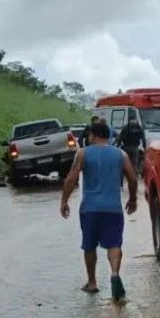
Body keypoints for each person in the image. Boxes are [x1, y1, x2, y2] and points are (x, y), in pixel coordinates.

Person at [59, 120, 138, 301]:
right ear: (109, 136)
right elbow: (133, 179)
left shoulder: (83, 153)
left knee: (89, 245)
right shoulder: (120, 154)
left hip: (90, 208)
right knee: (114, 244)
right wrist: (133, 199)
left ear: (93, 135)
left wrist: (64, 201)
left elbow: (71, 178)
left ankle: (92, 282)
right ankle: (115, 273)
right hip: (113, 208)